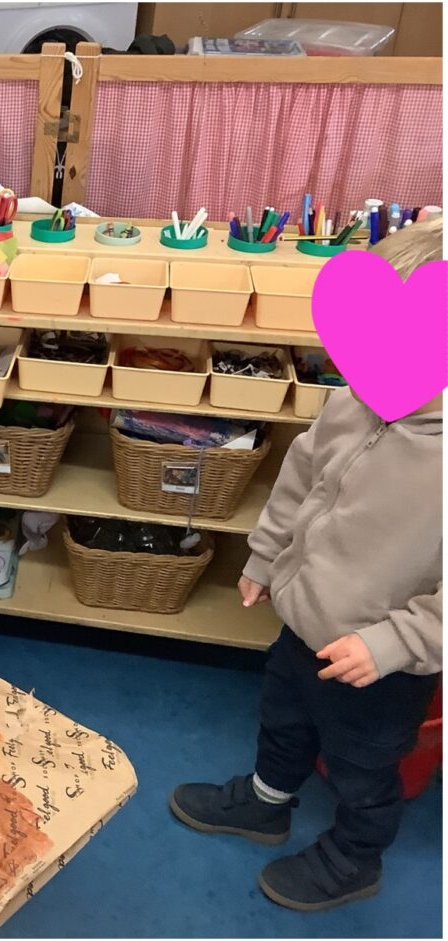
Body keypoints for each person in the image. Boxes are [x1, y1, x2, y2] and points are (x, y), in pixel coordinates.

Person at [170, 217, 444, 912]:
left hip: (381, 663)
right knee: (282, 719)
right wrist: (266, 557)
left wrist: (392, 643)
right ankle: (266, 803)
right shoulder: (353, 402)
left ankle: (355, 858)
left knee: (363, 767)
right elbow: (301, 481)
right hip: (302, 621)